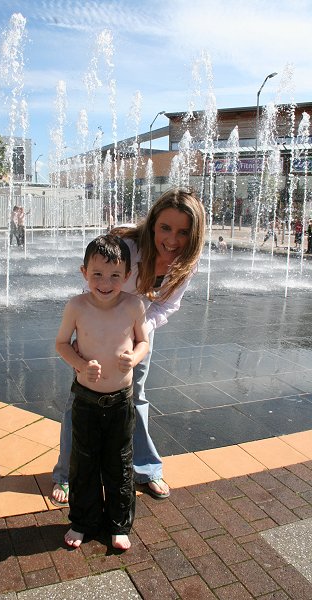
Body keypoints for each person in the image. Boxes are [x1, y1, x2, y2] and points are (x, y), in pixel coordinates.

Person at [52, 188, 206, 507]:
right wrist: (92, 332)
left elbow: (168, 307)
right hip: (97, 331)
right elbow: (97, 284)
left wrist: (140, 332)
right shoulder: (130, 248)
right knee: (79, 402)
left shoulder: (186, 263)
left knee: (136, 398)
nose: (172, 239)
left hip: (139, 336)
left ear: (194, 234)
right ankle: (66, 474)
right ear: (152, 225)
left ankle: (145, 469)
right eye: (165, 228)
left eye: (182, 231)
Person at [55, 234, 149, 550]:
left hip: (121, 400)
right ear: (84, 273)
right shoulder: (77, 306)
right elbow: (61, 344)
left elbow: (143, 342)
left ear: (126, 275)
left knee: (119, 463)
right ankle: (83, 521)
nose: (105, 282)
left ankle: (118, 524)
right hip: (86, 399)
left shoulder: (134, 305)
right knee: (83, 463)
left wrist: (133, 358)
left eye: (114, 275)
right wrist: (81, 365)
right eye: (97, 274)